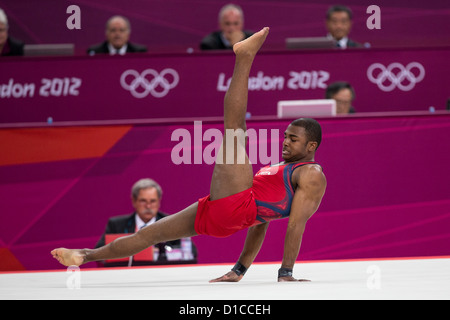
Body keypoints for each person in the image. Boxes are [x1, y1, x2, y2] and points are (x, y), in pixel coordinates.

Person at [52, 27, 327, 282]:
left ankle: (244, 57)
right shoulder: (279, 169)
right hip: (221, 211)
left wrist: (286, 271)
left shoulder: (311, 174)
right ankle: (85, 255)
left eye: (293, 139)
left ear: (311, 146)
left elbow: (295, 225)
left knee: (235, 131)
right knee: (149, 233)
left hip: (235, 207)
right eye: (285, 137)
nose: (285, 143)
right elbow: (261, 223)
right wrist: (239, 270)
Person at [95, 179, 197, 263]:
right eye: (143, 201)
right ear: (134, 201)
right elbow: (100, 254)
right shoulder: (117, 225)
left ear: (159, 202)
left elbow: (192, 254)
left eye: (152, 201)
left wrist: (161, 254)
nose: (148, 206)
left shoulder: (173, 223)